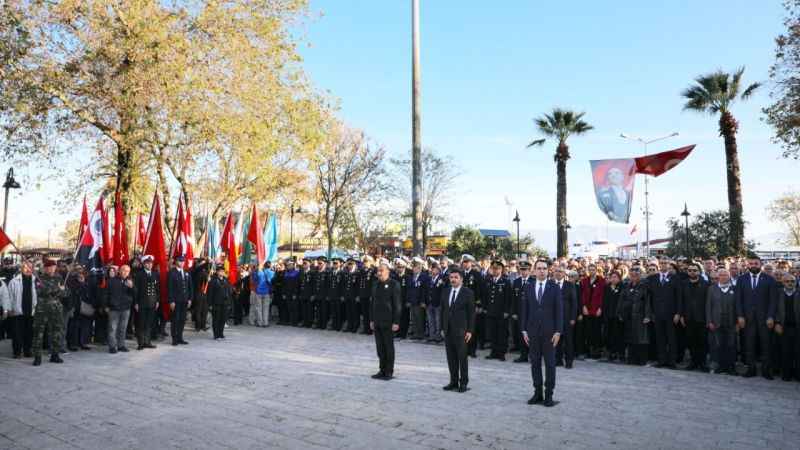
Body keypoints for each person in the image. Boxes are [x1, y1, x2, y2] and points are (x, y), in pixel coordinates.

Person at [521, 260, 563, 407]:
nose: (542, 271)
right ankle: (537, 393)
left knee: (550, 365)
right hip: (532, 332)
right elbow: (524, 309)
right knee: (535, 364)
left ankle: (549, 395)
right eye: (539, 268)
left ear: (548, 270)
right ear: (534, 271)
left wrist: (558, 331)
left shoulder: (554, 287)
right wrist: (524, 330)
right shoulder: (529, 287)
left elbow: (559, 311)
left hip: (550, 333)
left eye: (544, 268)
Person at [735, 256, 778, 379]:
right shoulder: (741, 279)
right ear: (748, 265)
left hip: (765, 319)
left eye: (756, 263)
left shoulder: (769, 279)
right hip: (747, 319)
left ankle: (766, 371)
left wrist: (770, 316)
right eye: (751, 263)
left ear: (760, 264)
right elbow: (738, 300)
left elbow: (773, 301)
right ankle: (751, 369)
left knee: (766, 345)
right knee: (749, 345)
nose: (753, 265)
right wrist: (740, 316)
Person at [440, 266, 475, 392]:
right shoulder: (445, 291)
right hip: (448, 330)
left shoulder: (468, 293)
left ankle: (463, 383)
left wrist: (470, 331)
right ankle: (453, 381)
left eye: (456, 277)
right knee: (451, 358)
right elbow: (443, 311)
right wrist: (442, 328)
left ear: (461, 279)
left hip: (461, 331)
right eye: (451, 277)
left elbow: (471, 313)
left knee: (462, 358)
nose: (453, 280)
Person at [31, 259, 67, 366]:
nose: (51, 269)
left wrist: (62, 290)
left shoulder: (59, 278)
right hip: (42, 309)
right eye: (49, 267)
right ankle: (37, 357)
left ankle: (55, 355)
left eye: (53, 267)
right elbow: (41, 291)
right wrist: (58, 289)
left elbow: (65, 293)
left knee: (56, 331)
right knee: (39, 332)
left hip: (57, 308)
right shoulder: (39, 278)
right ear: (45, 268)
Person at [370, 262, 401, 380]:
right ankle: (381, 369)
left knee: (388, 347)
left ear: (388, 271)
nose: (379, 273)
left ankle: (389, 371)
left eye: (381, 270)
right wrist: (371, 319)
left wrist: (396, 322)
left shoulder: (394, 284)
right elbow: (372, 303)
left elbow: (397, 305)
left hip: (389, 321)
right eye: (378, 271)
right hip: (377, 320)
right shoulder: (375, 284)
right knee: (380, 348)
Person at [647, 259, 680, 368]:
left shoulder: (675, 278)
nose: (663, 265)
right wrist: (651, 313)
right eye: (661, 263)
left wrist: (678, 313)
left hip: (671, 314)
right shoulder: (653, 278)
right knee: (660, 338)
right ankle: (661, 360)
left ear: (669, 265)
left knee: (671, 338)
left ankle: (671, 361)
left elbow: (679, 298)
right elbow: (650, 297)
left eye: (665, 263)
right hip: (657, 313)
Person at [619, 266, 651, 366]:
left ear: (640, 275)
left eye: (636, 275)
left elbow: (647, 302)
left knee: (641, 339)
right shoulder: (627, 285)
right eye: (632, 275)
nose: (634, 277)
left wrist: (647, 316)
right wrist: (620, 313)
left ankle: (642, 360)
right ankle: (631, 359)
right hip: (629, 316)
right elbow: (621, 300)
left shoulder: (644, 286)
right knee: (630, 338)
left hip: (640, 315)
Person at [681, 262, 710, 371]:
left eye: (694, 270)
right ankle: (693, 362)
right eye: (690, 270)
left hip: (702, 318)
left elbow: (708, 303)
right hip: (688, 318)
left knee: (702, 342)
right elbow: (681, 301)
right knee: (691, 341)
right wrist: (682, 315)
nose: (692, 272)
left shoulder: (706, 284)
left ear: (699, 271)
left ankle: (702, 363)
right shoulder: (684, 284)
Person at [4, 261, 36, 358]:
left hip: (31, 311)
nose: (28, 269)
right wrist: (9, 309)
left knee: (29, 333)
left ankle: (27, 350)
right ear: (21, 268)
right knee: (17, 333)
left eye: (30, 267)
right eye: (26, 267)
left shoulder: (36, 281)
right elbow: (8, 296)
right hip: (17, 311)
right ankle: (17, 352)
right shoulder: (14, 281)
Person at [484, 260, 511, 361]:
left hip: (501, 312)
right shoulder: (489, 281)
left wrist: (506, 311)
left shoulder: (505, 282)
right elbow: (486, 296)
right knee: (493, 333)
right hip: (491, 311)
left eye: (497, 269)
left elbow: (508, 298)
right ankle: (493, 352)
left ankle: (501, 353)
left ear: (501, 270)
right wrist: (485, 308)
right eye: (493, 268)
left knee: (502, 333)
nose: (495, 271)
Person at [106, 264, 135, 354]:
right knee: (112, 328)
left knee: (123, 328)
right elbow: (106, 294)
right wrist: (106, 306)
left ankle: (121, 345)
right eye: (124, 270)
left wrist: (132, 287)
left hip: (125, 309)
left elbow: (135, 294)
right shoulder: (112, 281)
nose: (125, 273)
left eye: (127, 271)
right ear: (119, 271)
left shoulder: (130, 281)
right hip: (114, 308)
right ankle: (112, 346)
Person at [133, 255, 159, 350]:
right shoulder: (139, 275)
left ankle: (147, 341)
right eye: (147, 263)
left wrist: (157, 301)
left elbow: (157, 289)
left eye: (151, 263)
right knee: (141, 323)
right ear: (144, 264)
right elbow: (136, 290)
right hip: (142, 303)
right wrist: (136, 303)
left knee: (149, 323)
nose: (150, 265)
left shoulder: (155, 274)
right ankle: (140, 343)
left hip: (152, 302)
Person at [555, 266, 579, 368]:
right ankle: (558, 360)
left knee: (568, 341)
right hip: (554, 318)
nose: (558, 273)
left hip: (567, 317)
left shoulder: (570, 285)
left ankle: (569, 361)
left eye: (560, 271)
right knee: (556, 340)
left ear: (564, 274)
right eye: (557, 271)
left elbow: (574, 303)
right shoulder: (551, 284)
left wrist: (573, 318)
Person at [580, 264, 605, 359]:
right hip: (587, 309)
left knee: (596, 331)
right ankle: (588, 351)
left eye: (593, 269)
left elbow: (603, 296)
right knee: (587, 331)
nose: (592, 271)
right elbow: (582, 295)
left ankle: (596, 352)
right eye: (590, 270)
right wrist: (583, 306)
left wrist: (600, 308)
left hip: (597, 309)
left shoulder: (601, 281)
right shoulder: (584, 281)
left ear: (596, 270)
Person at [168, 256, 193, 346]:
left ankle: (180, 337)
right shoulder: (172, 273)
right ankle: (174, 338)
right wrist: (171, 301)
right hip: (176, 300)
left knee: (182, 319)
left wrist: (190, 299)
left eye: (183, 261)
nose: (182, 263)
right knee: (175, 320)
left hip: (185, 300)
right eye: (180, 261)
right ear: (176, 262)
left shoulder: (186, 272)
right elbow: (170, 288)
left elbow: (190, 287)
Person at [511, 261, 532, 363]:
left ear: (529, 270)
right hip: (519, 313)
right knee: (521, 334)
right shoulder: (516, 282)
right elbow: (513, 299)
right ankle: (523, 355)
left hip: (531, 313)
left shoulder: (533, 281)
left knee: (532, 334)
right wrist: (514, 312)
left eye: (525, 269)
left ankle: (532, 355)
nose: (523, 271)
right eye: (521, 269)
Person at [602, 271, 624, 362]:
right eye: (612, 277)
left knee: (617, 335)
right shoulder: (607, 287)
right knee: (608, 334)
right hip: (608, 314)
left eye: (616, 277)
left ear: (619, 278)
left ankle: (618, 353)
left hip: (617, 315)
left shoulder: (622, 287)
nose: (614, 279)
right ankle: (610, 353)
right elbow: (604, 301)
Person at [407, 257, 430, 340]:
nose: (414, 269)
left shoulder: (424, 277)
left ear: (420, 268)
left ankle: (421, 334)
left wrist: (423, 301)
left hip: (420, 302)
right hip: (413, 301)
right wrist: (408, 300)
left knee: (420, 318)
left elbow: (424, 290)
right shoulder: (411, 277)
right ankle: (415, 333)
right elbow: (409, 290)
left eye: (416, 267)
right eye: (413, 267)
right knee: (414, 318)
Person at [208, 264, 232, 340]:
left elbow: (228, 291)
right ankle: (216, 335)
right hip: (216, 303)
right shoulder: (213, 280)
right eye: (220, 271)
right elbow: (210, 293)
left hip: (224, 303)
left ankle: (221, 333)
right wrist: (210, 304)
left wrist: (229, 302)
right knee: (216, 319)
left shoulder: (225, 280)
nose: (222, 273)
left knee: (223, 319)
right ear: (217, 272)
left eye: (223, 271)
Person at [250, 262, 274, 328]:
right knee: (266, 308)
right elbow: (272, 282)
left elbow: (254, 281)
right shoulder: (271, 272)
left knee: (259, 308)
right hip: (267, 292)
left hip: (259, 292)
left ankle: (260, 322)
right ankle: (265, 323)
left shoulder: (258, 272)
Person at [426, 263, 445, 343]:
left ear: (438, 270)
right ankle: (432, 336)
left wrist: (441, 303)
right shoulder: (430, 278)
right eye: (432, 269)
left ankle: (438, 336)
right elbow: (427, 291)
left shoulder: (441, 279)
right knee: (430, 321)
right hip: (429, 303)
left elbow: (442, 292)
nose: (433, 270)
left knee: (438, 321)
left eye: (435, 269)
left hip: (437, 303)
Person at [282, 259, 301, 327]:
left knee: (295, 308)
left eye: (290, 265)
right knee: (289, 307)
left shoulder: (297, 273)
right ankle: (290, 320)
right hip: (287, 293)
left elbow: (297, 285)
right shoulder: (286, 273)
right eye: (287, 265)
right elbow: (284, 284)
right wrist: (283, 293)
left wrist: (295, 294)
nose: (288, 266)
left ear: (293, 265)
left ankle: (295, 322)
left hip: (294, 294)